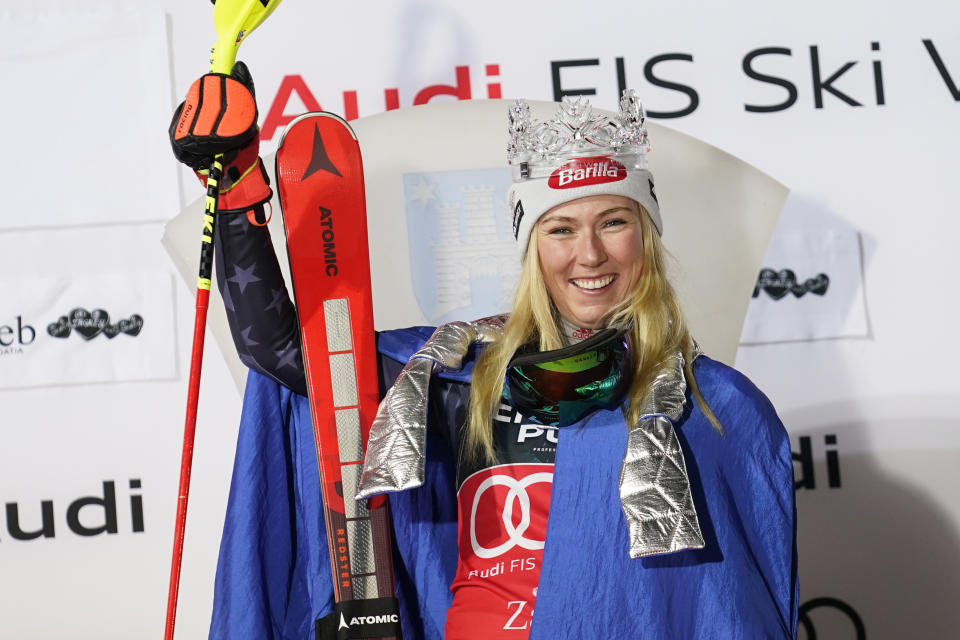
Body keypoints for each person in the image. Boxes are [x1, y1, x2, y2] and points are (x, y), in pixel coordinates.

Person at [171, 65, 798, 640]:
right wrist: (233, 189)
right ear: (532, 249)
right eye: (560, 229)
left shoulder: (716, 404)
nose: (589, 255)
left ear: (647, 236)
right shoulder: (460, 374)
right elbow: (292, 353)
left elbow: (730, 606)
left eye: (613, 222)